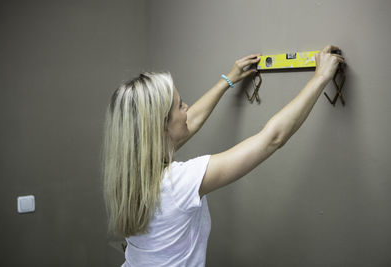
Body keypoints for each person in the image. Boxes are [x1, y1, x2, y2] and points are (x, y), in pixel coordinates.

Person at [102, 45, 345, 267]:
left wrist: (228, 79)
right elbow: (272, 139)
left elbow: (190, 121)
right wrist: (321, 76)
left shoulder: (129, 171)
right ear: (160, 127)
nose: (186, 107)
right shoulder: (179, 183)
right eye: (180, 104)